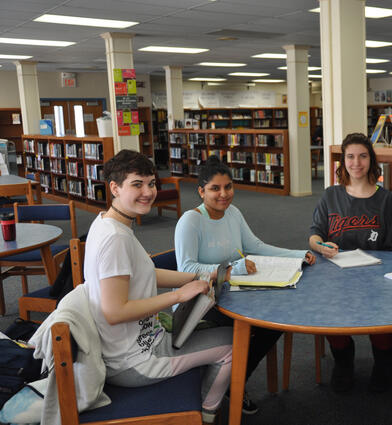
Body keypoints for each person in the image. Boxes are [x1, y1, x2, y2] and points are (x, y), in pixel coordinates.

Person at [84, 150, 232, 424]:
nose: (148, 192)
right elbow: (114, 311)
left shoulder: (109, 223)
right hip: (135, 361)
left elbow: (144, 273)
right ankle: (206, 414)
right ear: (114, 188)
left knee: (215, 330)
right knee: (232, 346)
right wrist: (177, 296)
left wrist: (193, 279)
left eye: (151, 183)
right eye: (137, 184)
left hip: (134, 345)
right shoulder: (115, 240)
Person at [174, 155, 315, 414]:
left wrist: (297, 254)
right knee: (253, 324)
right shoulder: (190, 221)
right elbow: (186, 270)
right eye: (215, 188)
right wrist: (227, 271)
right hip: (201, 302)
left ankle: (234, 379)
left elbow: (256, 247)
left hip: (235, 291)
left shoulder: (233, 213)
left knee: (275, 321)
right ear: (201, 191)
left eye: (228, 187)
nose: (223, 194)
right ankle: (232, 381)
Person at [309, 132, 392, 393]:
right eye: (350, 156)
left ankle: (385, 362)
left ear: (371, 161)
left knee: (381, 316)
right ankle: (343, 362)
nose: (356, 162)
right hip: (336, 276)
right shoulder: (331, 196)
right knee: (330, 314)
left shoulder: (385, 200)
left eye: (363, 156)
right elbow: (315, 235)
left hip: (375, 277)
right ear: (343, 162)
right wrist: (321, 246)